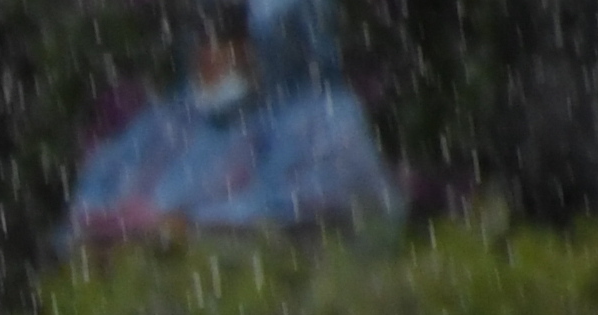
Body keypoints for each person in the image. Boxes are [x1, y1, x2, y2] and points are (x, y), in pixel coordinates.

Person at [69, 0, 402, 249]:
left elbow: (304, 221)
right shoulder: (181, 122)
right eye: (202, 36)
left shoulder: (325, 120)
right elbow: (98, 196)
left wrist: (176, 229)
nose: (208, 54)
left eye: (227, 39)